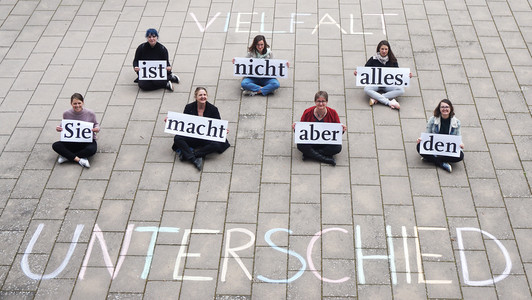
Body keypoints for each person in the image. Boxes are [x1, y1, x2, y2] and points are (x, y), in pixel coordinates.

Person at [169, 87, 230, 171]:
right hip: (193, 135)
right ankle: (194, 159)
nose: (203, 97)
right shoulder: (189, 107)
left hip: (206, 137)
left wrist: (223, 131)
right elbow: (184, 123)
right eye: (200, 95)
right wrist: (170, 120)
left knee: (217, 144)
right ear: (196, 97)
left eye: (204, 95)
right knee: (177, 138)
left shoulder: (213, 109)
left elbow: (217, 124)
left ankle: (192, 155)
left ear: (207, 96)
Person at [292, 91, 346, 166]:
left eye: (323, 101)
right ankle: (326, 159)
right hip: (311, 142)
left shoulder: (333, 113)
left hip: (325, 143)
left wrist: (342, 130)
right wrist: (296, 128)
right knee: (301, 145)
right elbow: (302, 133)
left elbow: (336, 134)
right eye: (318, 101)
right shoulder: (307, 112)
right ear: (315, 102)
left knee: (337, 148)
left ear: (327, 102)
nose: (321, 104)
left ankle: (309, 154)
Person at [354, 40, 412, 109]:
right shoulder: (373, 59)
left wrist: (407, 76)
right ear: (379, 49)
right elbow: (366, 71)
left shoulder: (393, 60)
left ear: (388, 50)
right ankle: (389, 102)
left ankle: (376, 98)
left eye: (386, 49)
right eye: (382, 49)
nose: (384, 51)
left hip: (388, 85)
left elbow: (398, 73)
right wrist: (358, 73)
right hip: (376, 84)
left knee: (401, 90)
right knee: (366, 89)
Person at [52, 93, 100, 168]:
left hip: (86, 141)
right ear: (71, 104)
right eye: (74, 103)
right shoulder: (66, 113)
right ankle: (80, 159)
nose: (77, 105)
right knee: (56, 145)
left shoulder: (90, 113)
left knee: (92, 149)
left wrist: (97, 129)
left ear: (83, 102)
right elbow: (64, 124)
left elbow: (96, 124)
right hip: (72, 141)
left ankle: (67, 156)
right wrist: (59, 128)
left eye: (79, 103)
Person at [416, 99, 464, 173]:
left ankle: (431, 159)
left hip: (447, 148)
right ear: (439, 109)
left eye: (447, 107)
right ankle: (442, 163)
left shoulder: (457, 122)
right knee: (419, 147)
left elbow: (458, 136)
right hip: (435, 147)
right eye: (442, 107)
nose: (445, 109)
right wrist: (421, 139)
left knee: (460, 156)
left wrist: (461, 144)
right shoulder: (432, 120)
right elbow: (427, 134)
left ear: (451, 108)